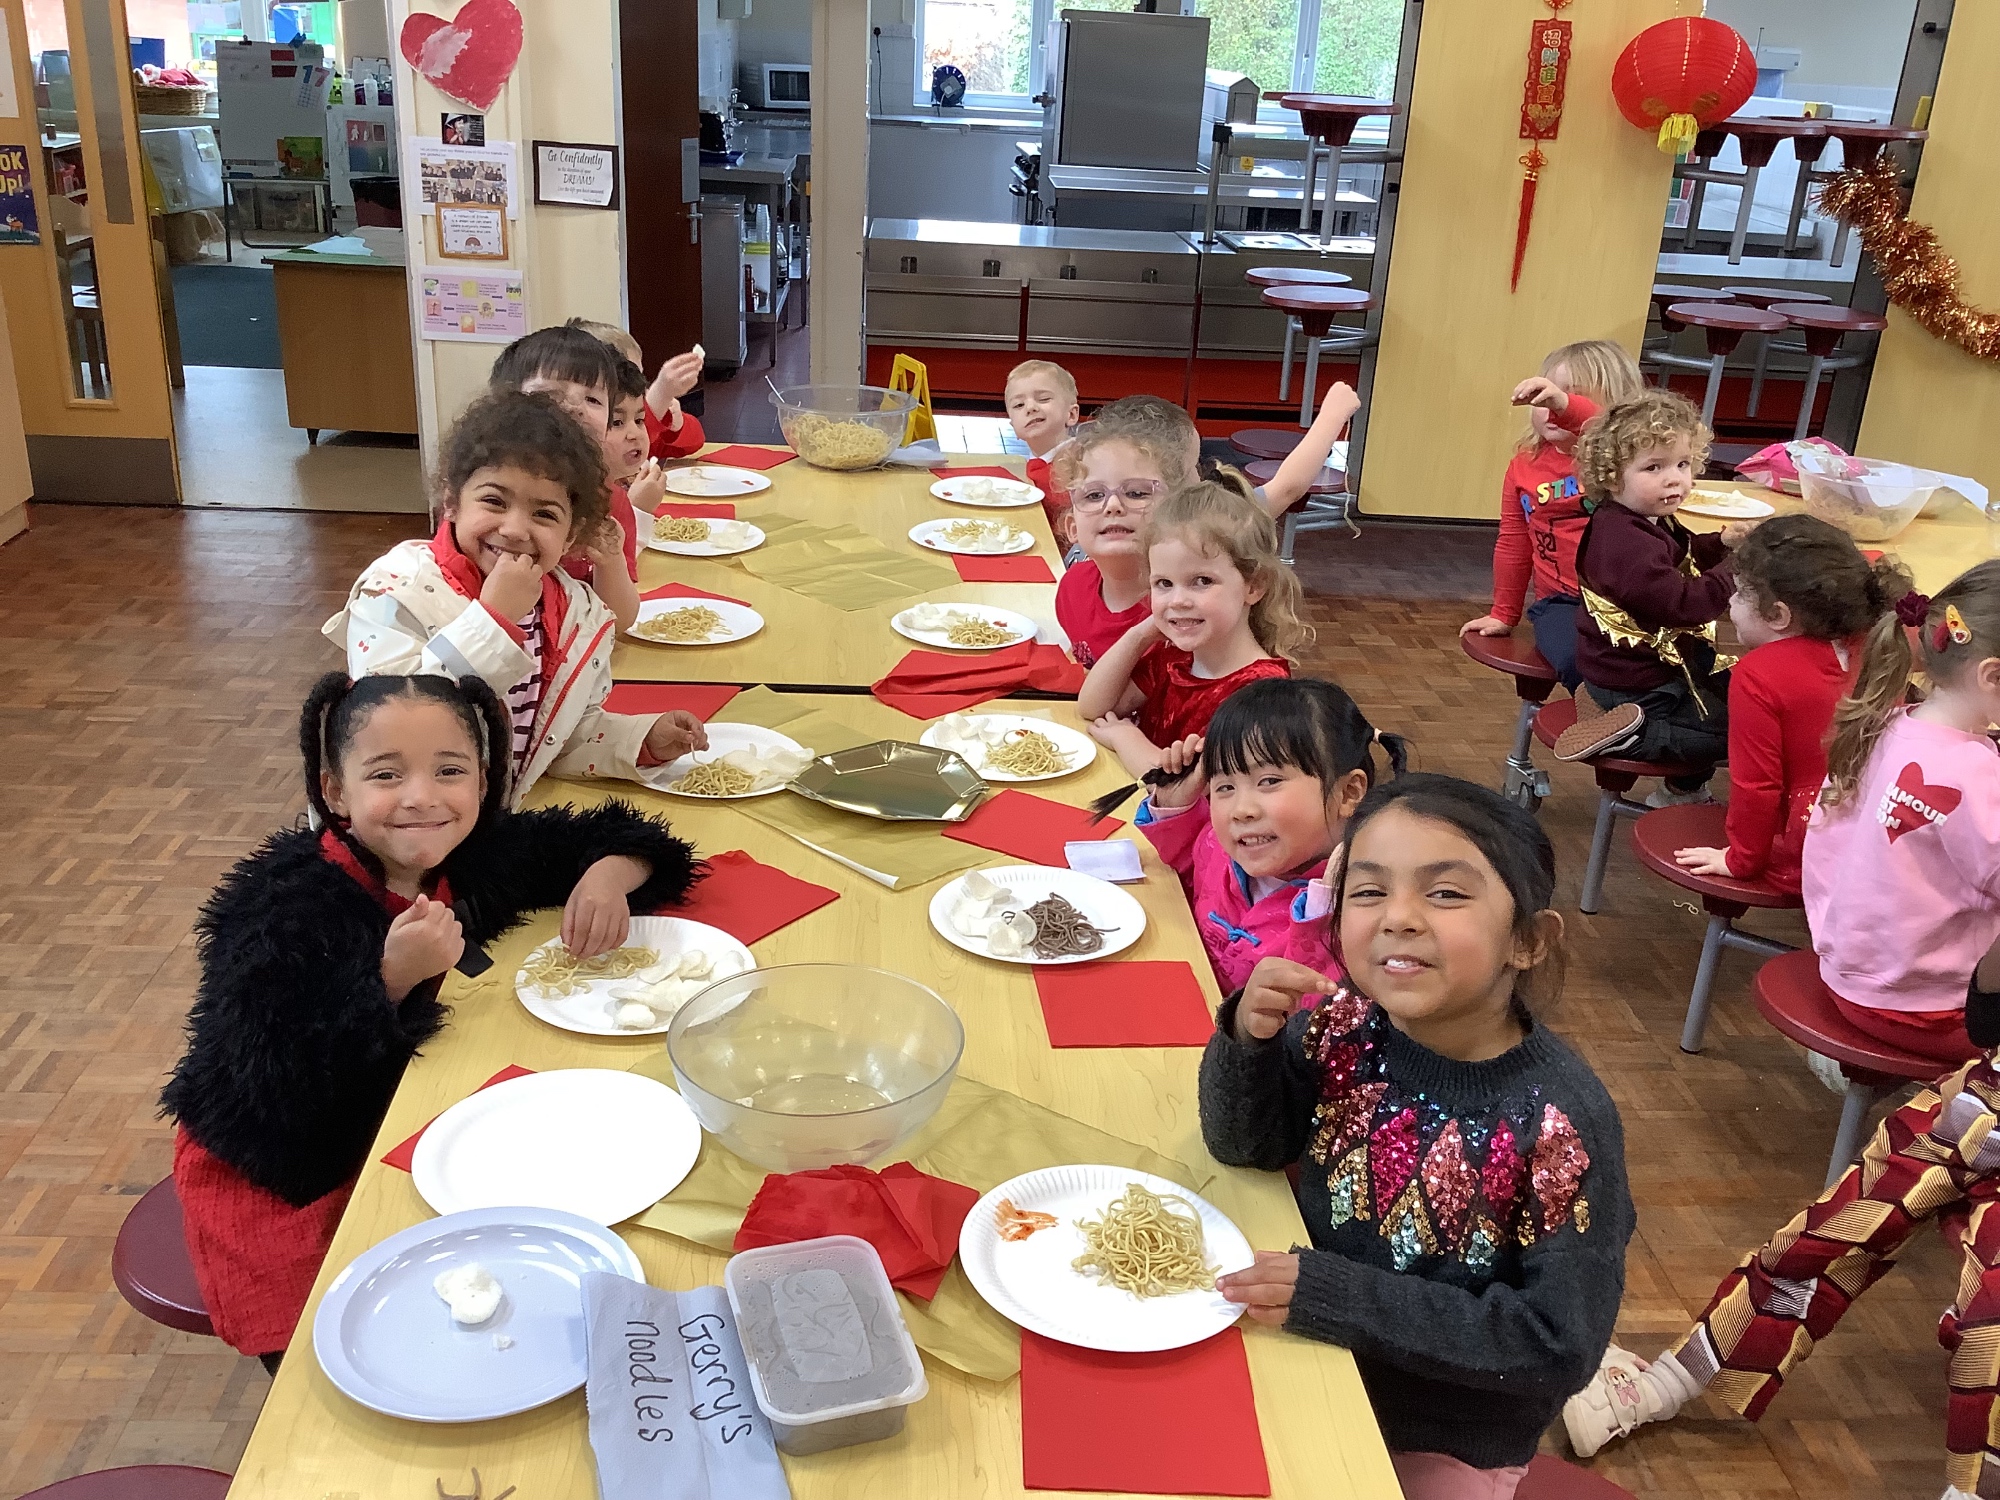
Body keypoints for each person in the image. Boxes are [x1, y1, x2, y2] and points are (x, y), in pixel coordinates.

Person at [160, 672, 701, 1367]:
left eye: (449, 771)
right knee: (372, 1348)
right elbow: (272, 1093)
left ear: (484, 780)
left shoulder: (469, 854)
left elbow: (618, 837)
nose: (422, 797)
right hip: (287, 1173)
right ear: (335, 792)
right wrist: (390, 979)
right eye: (387, 775)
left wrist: (608, 875)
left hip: (411, 1110)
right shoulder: (282, 911)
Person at [1200, 774, 1631, 1500]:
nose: (1398, 917)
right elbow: (1245, 1145)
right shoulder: (1345, 1027)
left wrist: (1341, 1297)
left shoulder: (1558, 1123)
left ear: (1528, 940)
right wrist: (1249, 1040)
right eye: (1369, 892)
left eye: (1446, 893)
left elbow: (1558, 1343)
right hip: (1304, 1353)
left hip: (1436, 1438)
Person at [323, 389, 707, 806]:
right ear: (451, 502)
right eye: (494, 501)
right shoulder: (395, 592)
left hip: (488, 824)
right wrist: (493, 621)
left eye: (544, 514)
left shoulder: (573, 612)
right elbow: (397, 729)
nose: (514, 529)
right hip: (399, 828)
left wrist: (640, 741)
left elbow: (553, 736)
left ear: (571, 535)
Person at [1670, 515, 1911, 893]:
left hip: (1812, 842)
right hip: (1886, 833)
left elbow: (1756, 786)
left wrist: (1741, 859)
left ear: (1779, 615)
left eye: (1739, 593)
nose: (1730, 601)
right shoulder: (1881, 640)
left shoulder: (1757, 674)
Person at [1136, 676, 1408, 991]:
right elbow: (1187, 864)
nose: (1241, 810)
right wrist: (1175, 806)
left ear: (1348, 792)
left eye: (1269, 781)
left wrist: (1322, 910)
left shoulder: (1367, 909)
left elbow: (1315, 1004)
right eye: (1224, 786)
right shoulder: (1219, 847)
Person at [1554, 390, 1742, 804]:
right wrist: (1734, 571)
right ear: (1611, 477)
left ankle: (1681, 789)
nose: (1674, 478)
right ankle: (1634, 735)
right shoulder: (1625, 541)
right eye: (1653, 467)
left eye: (1682, 464)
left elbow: (1682, 556)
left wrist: (1722, 543)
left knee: (1739, 697)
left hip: (1648, 669)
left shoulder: (1645, 519)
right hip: (1638, 684)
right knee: (1736, 732)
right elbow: (1683, 605)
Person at [1078, 481, 1303, 777]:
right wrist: (1140, 634)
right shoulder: (1174, 659)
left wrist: (1126, 737)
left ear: (1254, 586)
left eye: (1202, 581)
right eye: (1164, 583)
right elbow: (1092, 707)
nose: (1178, 601)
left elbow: (1188, 786)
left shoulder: (1262, 696)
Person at [1460, 340, 1646, 689]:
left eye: (1567, 397)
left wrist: (1565, 405)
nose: (1550, 407)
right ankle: (1602, 715)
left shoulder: (1623, 459)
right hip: (1561, 604)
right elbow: (1514, 544)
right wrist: (1503, 612)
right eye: (1543, 397)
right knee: (1578, 659)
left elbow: (1607, 430)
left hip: (1629, 599)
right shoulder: (1524, 466)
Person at [1094, 387, 1361, 527]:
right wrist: (1331, 416)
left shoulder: (1091, 522)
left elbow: (1288, 488)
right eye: (1195, 466)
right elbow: (1288, 488)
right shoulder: (1204, 522)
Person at [1053, 416, 1194, 669]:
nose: (1113, 506)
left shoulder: (1184, 610)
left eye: (1136, 493)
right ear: (1072, 528)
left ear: (1173, 513)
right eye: (1094, 495)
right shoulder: (1073, 589)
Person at [565, 316, 706, 463]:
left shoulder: (640, 409)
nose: (636, 386)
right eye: (625, 377)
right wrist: (659, 398)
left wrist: (677, 425)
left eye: (638, 375)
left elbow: (694, 442)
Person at [1003, 358, 1080, 546]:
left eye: (1043, 399)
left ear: (1071, 415)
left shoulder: (1080, 464)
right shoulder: (1035, 464)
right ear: (1013, 427)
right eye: (1019, 405)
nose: (1030, 408)